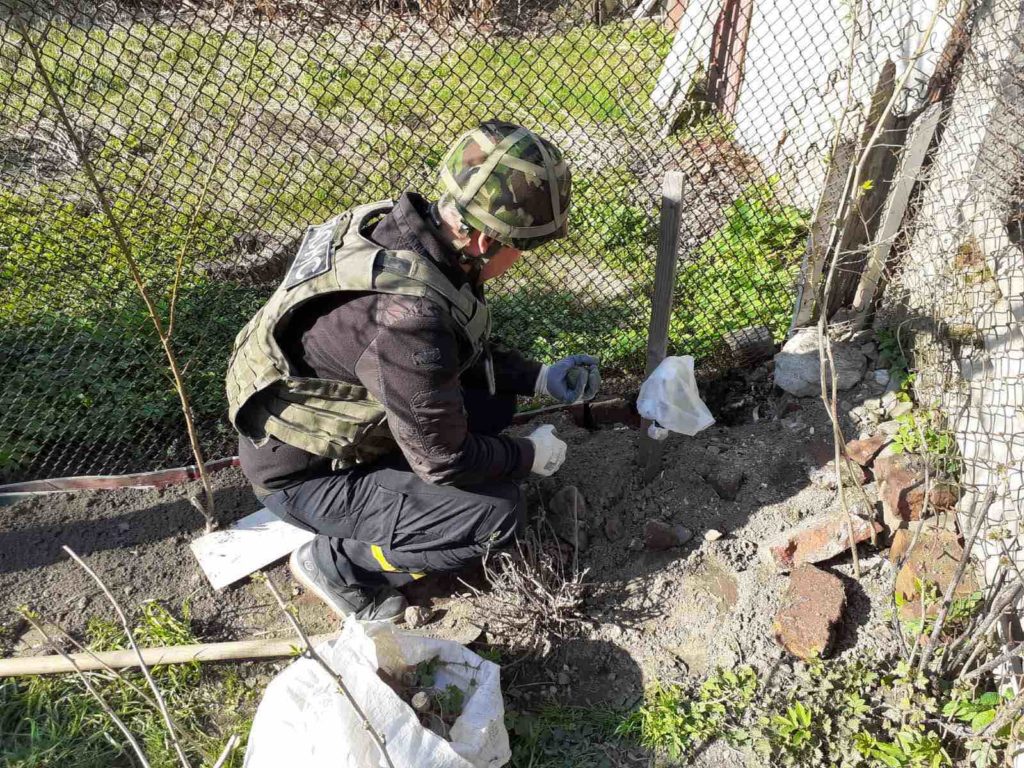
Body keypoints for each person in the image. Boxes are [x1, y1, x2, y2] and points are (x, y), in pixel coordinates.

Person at [225, 120, 601, 621]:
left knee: (493, 401)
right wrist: (527, 455)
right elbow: (444, 460)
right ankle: (342, 564)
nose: (522, 260)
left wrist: (536, 376)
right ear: (486, 241)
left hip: (334, 418)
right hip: (306, 477)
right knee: (496, 514)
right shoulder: (407, 318)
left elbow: (453, 348)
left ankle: (385, 515)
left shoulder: (407, 233)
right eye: (523, 247)